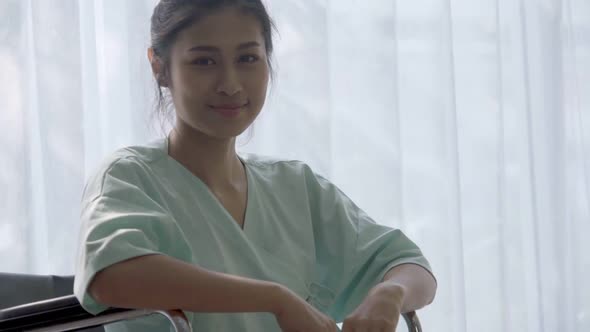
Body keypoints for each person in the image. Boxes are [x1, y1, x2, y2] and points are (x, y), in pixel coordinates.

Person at [73, 0, 437, 331]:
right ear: (160, 68)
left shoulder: (294, 186)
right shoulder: (128, 177)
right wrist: (274, 299)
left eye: (247, 59)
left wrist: (388, 294)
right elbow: (109, 274)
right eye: (204, 61)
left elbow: (410, 266)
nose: (230, 85)